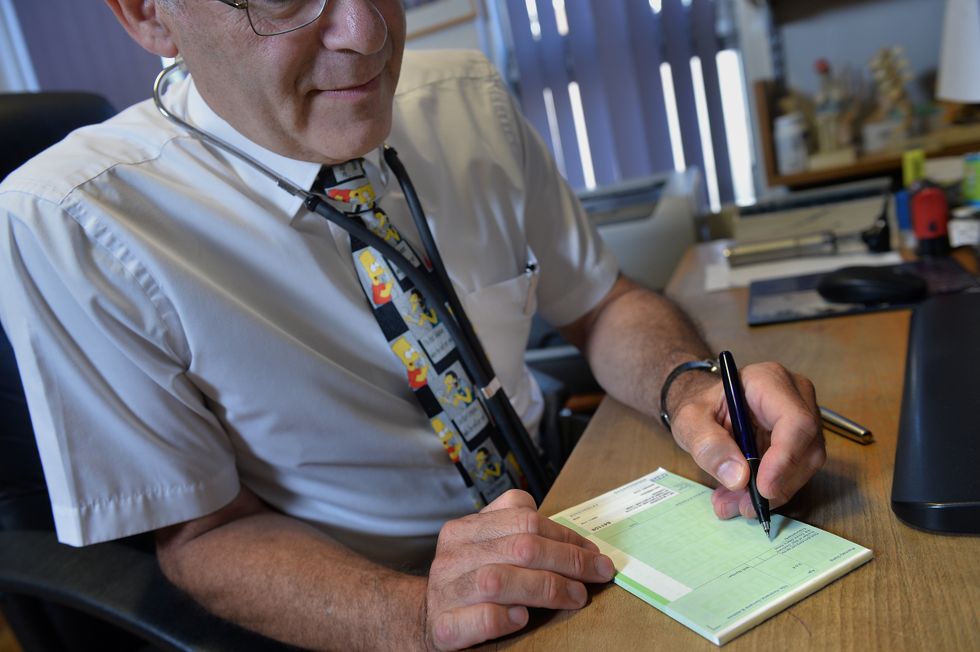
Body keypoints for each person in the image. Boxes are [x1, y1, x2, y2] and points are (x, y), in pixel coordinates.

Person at [0, 0, 824, 649]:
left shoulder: (467, 98)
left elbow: (604, 304)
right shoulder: (72, 222)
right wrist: (414, 616)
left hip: (583, 520)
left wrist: (687, 390)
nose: (367, 34)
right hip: (374, 604)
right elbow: (203, 533)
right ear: (149, 13)